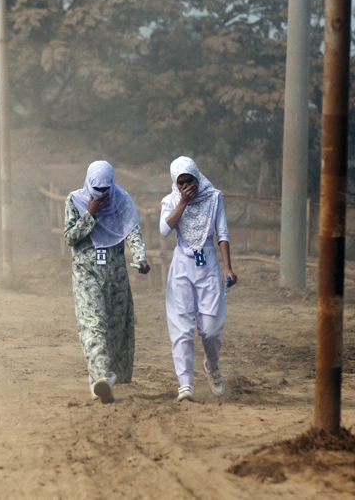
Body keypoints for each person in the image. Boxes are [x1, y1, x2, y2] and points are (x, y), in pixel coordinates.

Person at [64, 161, 150, 403]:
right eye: (96, 188)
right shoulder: (74, 201)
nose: (101, 194)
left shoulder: (121, 201)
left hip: (115, 276)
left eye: (105, 189)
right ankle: (101, 376)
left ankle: (103, 379)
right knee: (94, 324)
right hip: (86, 273)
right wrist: (89, 213)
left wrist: (141, 257)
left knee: (113, 328)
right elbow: (70, 237)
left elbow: (132, 230)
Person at [160, 156, 237, 402]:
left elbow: (222, 233)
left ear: (197, 177)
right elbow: (164, 229)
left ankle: (212, 366)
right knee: (182, 328)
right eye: (180, 182)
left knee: (211, 329)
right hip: (182, 267)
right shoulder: (171, 200)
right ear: (175, 183)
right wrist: (182, 201)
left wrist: (228, 268)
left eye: (189, 181)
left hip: (209, 267)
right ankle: (185, 384)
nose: (185, 186)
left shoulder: (214, 198)